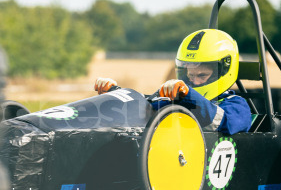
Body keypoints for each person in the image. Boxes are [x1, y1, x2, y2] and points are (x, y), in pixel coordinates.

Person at [94, 29, 252, 134]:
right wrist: (115, 93)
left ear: (224, 72)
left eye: (202, 75)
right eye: (190, 76)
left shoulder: (237, 105)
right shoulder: (178, 99)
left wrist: (188, 94)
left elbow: (220, 123)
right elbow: (144, 106)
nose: (194, 81)